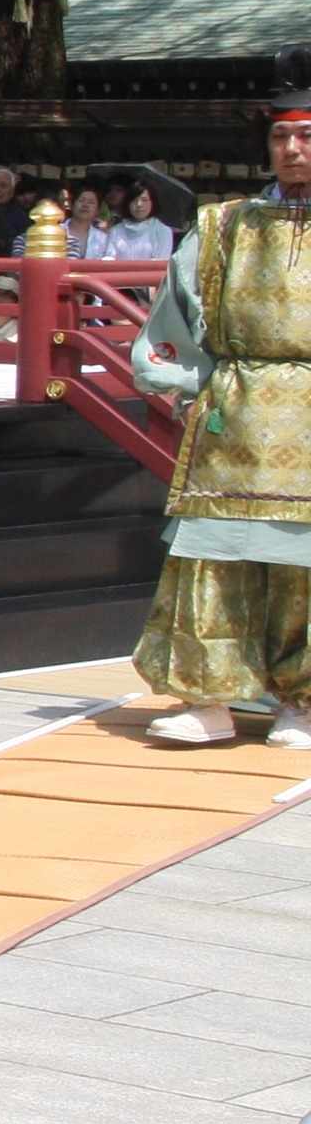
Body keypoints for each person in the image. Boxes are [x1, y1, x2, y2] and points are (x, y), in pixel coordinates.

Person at [134, 62, 311, 747]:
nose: (292, 150)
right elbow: (177, 315)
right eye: (280, 138)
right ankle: (210, 699)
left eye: (305, 137)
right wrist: (182, 388)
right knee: (212, 554)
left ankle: (301, 702)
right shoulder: (224, 224)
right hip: (235, 405)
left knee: (304, 565)